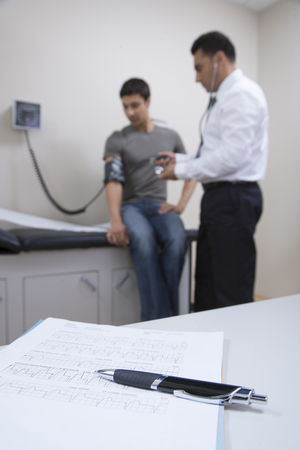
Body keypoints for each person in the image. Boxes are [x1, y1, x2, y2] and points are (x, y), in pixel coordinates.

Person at [157, 31, 269, 311]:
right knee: (207, 286)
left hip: (233, 199)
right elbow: (215, 154)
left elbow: (232, 158)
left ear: (219, 59)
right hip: (220, 201)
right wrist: (180, 160)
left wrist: (181, 170)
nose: (197, 77)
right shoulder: (226, 98)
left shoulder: (242, 94)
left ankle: (236, 353)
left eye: (199, 68)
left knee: (229, 293)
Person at [104, 78, 196, 321]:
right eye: (125, 106)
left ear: (148, 101)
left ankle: (165, 318)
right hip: (132, 206)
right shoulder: (117, 138)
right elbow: (113, 181)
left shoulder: (170, 136)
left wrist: (181, 205)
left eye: (135, 105)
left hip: (159, 206)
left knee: (178, 240)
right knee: (143, 241)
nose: (130, 112)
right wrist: (115, 220)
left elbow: (193, 171)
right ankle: (162, 321)